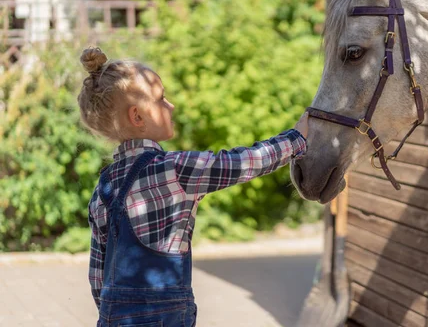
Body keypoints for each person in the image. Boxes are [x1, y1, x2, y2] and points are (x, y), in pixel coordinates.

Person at [78, 47, 309, 326]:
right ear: (138, 117)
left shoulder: (104, 186)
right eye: (161, 99)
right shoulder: (173, 170)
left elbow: (97, 276)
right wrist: (297, 138)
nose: (171, 105)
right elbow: (242, 163)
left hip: (113, 315)